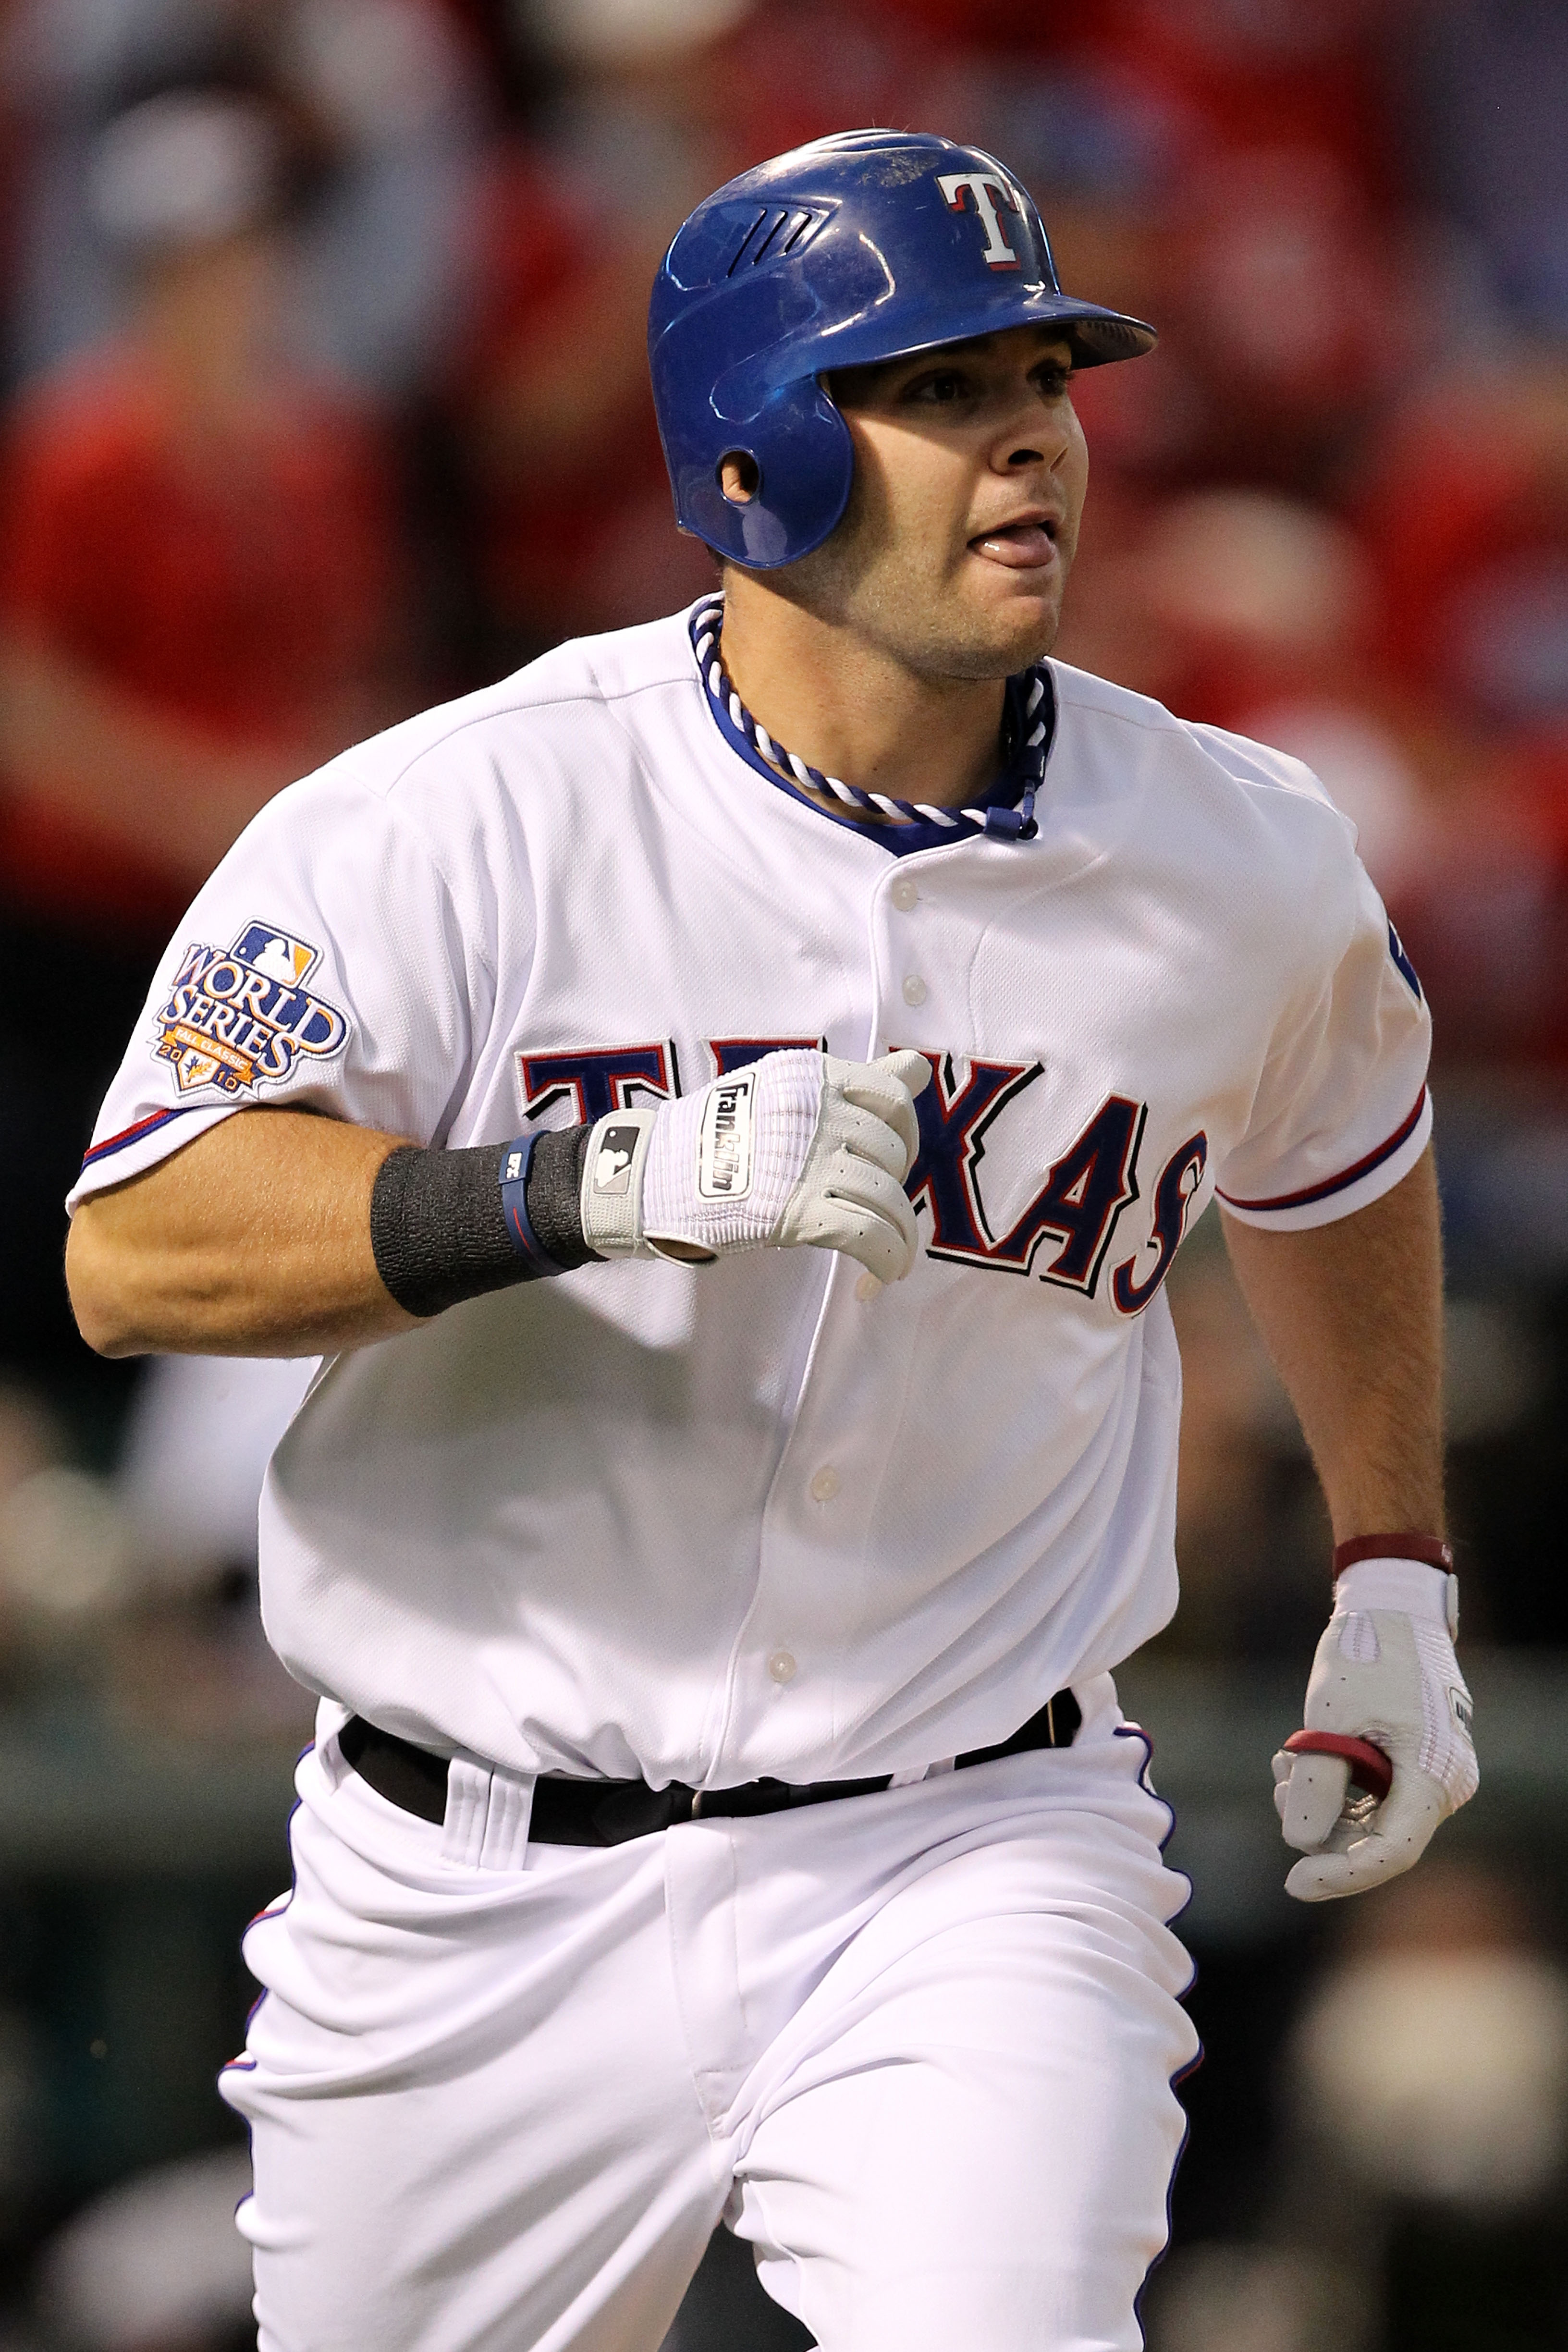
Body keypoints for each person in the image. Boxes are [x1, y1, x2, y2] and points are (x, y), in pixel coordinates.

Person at [63, 130, 1477, 2352]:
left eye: (1049, 374)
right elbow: (140, 1242)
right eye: (933, 384)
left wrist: (1397, 1565)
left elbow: (1347, 1139)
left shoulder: (1236, 852)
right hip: (473, 1891)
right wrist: (574, 1185)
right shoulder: (463, 814)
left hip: (968, 1845)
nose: (1030, 432)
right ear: (752, 456)